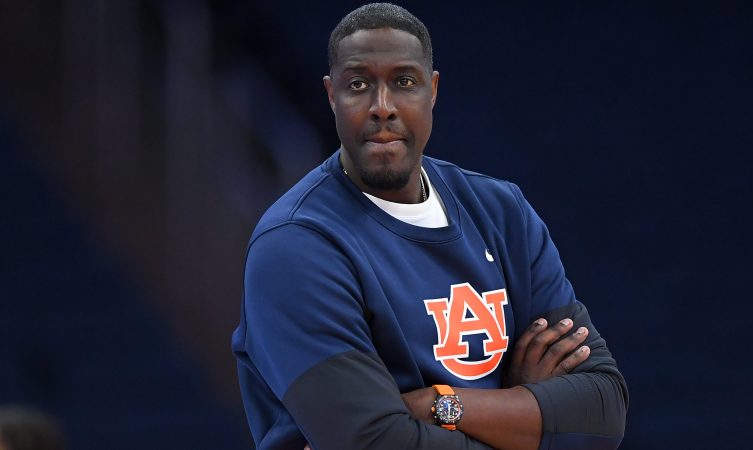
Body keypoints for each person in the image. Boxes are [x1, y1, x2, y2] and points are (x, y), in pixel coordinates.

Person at [232, 3, 628, 449]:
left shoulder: (503, 213)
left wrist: (439, 404)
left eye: (404, 82)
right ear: (331, 95)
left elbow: (602, 413)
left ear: (433, 89)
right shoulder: (295, 246)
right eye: (358, 84)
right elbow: (375, 441)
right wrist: (519, 411)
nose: (383, 107)